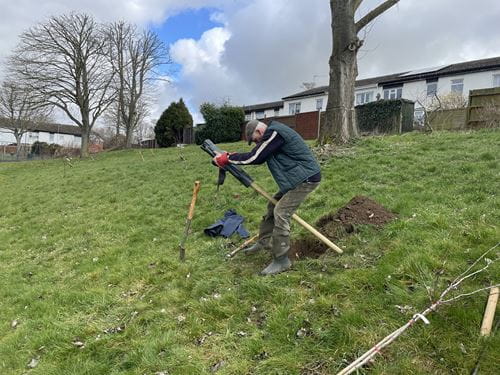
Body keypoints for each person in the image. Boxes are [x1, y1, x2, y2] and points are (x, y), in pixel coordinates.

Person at [213, 119, 321, 275]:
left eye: (256, 140)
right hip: (296, 179)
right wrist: (230, 156)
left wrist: (227, 158)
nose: (257, 143)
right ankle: (263, 243)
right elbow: (259, 154)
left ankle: (282, 260)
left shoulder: (275, 133)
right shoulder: (273, 135)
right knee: (272, 206)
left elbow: (255, 157)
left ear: (259, 132)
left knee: (281, 213)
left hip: (306, 179)